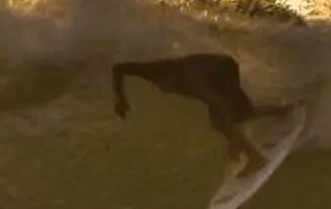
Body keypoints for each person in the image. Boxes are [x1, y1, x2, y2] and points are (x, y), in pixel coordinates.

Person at [112, 53, 293, 174]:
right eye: (162, 84)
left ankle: (256, 159)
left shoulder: (191, 80)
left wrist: (232, 140)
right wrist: (120, 98)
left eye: (168, 83)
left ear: (173, 75)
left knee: (220, 121)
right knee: (239, 113)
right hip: (214, 70)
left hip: (225, 70)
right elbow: (118, 68)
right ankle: (281, 111)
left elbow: (218, 105)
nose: (164, 87)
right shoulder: (151, 71)